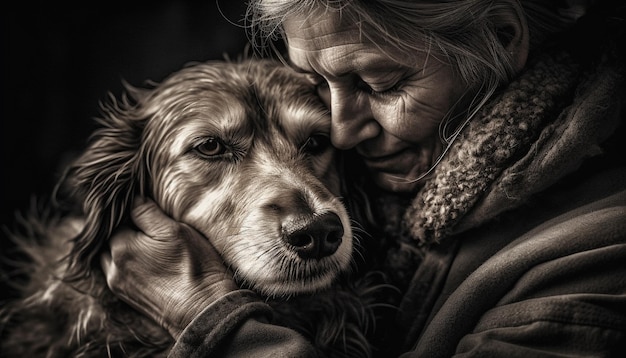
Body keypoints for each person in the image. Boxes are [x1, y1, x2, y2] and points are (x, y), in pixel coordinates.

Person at [100, 0, 626, 356]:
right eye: (321, 82)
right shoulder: (394, 183)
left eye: (381, 82)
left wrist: (210, 319)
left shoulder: (598, 255)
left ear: (501, 38)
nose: (343, 133)